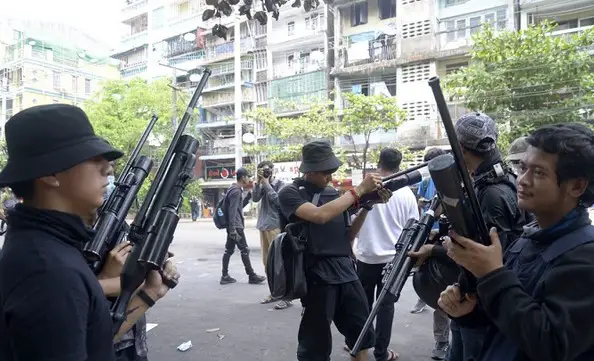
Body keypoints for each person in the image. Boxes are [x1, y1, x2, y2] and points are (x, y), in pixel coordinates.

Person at [0, 104, 180, 361]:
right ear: (50, 174)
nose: (108, 168)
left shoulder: (47, 247)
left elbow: (91, 341)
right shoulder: (49, 272)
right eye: (94, 159)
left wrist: (150, 293)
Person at [439, 123, 594, 361]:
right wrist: (469, 313)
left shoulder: (585, 256)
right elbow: (511, 321)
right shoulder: (527, 239)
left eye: (539, 173)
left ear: (577, 186)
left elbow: (549, 344)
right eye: (523, 168)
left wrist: (492, 274)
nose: (523, 180)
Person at [409, 112, 529, 361]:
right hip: (468, 298)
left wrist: (433, 251)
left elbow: (491, 257)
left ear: (460, 148)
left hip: (483, 308)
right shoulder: (486, 181)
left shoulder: (493, 193)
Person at [278, 140, 387, 361]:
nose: (330, 177)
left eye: (332, 171)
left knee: (361, 337)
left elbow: (347, 236)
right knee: (315, 346)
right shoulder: (289, 193)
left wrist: (367, 206)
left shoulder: (334, 194)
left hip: (346, 271)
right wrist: (359, 191)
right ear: (309, 170)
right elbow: (319, 216)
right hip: (316, 275)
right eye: (325, 172)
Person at [351, 148, 419, 361]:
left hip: (366, 256)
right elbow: (413, 227)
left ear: (379, 162)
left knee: (363, 305)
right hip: (393, 261)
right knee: (385, 307)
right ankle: (381, 353)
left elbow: (350, 219)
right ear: (400, 164)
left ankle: (360, 346)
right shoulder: (407, 194)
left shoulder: (367, 189)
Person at [408, 147, 451, 360]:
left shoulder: (458, 185)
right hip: (434, 238)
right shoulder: (427, 182)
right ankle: (442, 340)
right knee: (439, 291)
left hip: (453, 247)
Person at [253, 160, 290, 309]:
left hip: (275, 226)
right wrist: (258, 183)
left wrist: (267, 184)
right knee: (267, 263)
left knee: (280, 263)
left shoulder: (281, 185)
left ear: (273, 171)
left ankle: (286, 296)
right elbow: (255, 198)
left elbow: (278, 202)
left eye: (266, 170)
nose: (265, 173)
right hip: (263, 225)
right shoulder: (261, 184)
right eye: (262, 171)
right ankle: (274, 292)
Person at [220, 167, 266, 285]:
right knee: (244, 249)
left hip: (233, 226)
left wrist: (248, 197)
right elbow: (233, 211)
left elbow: (238, 207)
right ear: (243, 177)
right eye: (248, 177)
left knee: (228, 250)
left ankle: (224, 275)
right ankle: (251, 275)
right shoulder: (236, 191)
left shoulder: (233, 189)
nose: (249, 179)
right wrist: (233, 229)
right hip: (236, 226)